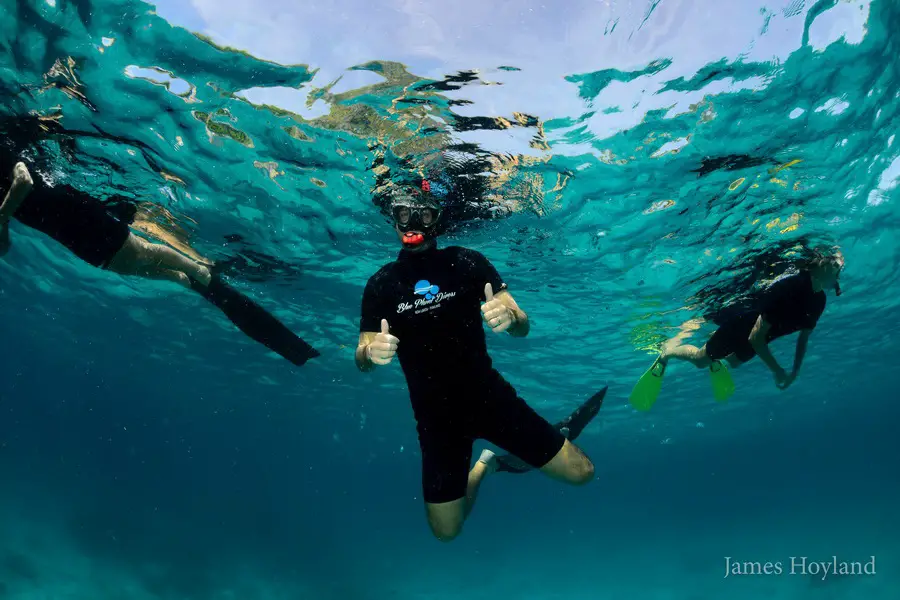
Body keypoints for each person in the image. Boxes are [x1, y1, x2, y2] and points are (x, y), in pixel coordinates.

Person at [354, 180, 597, 542]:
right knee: (447, 532)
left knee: (582, 473)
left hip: (490, 399)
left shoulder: (466, 262)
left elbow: (521, 323)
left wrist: (512, 319)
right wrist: (370, 354)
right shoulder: (381, 285)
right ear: (394, 220)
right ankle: (484, 465)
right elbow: (362, 355)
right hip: (436, 420)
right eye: (404, 213)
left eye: (423, 213)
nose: (413, 222)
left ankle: (529, 445)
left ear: (437, 218)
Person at [0, 143, 318, 367]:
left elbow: (23, 178)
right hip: (74, 239)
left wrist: (1, 220)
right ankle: (182, 277)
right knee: (125, 265)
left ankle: (195, 267)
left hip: (78, 216)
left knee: (143, 251)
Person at [629, 250, 844, 410]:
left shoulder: (819, 301)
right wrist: (778, 371)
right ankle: (667, 351)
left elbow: (804, 338)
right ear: (819, 266)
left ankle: (715, 348)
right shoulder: (790, 288)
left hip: (761, 337)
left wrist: (795, 371)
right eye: (835, 267)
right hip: (741, 326)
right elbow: (756, 338)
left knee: (733, 362)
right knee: (700, 360)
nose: (839, 272)